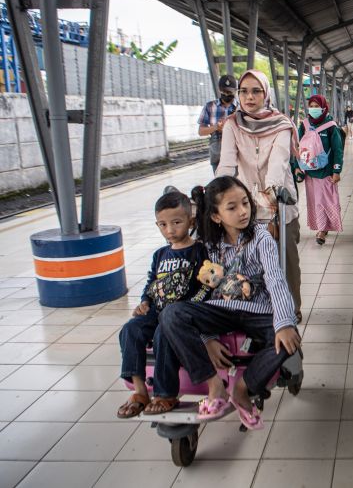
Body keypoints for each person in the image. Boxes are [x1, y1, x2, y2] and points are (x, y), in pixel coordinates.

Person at [159, 176, 301, 429]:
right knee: (171, 315)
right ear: (216, 216)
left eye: (245, 203)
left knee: (287, 342)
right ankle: (215, 386)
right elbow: (199, 289)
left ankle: (242, 389)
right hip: (220, 310)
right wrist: (207, 338)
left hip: (258, 309)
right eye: (232, 207)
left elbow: (275, 279)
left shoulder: (261, 237)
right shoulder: (208, 245)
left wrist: (284, 323)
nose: (243, 211)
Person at [216, 69, 303, 323]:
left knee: (285, 260)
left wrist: (268, 198)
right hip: (245, 208)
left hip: (279, 205)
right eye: (244, 91)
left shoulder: (282, 124)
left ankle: (292, 306)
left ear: (266, 94)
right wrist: (217, 193)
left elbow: (278, 165)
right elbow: (227, 164)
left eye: (256, 91)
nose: (249, 97)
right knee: (249, 262)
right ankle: (259, 307)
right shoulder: (232, 124)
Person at [116, 190, 207, 418]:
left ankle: (165, 393)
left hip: (181, 313)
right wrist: (145, 302)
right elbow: (151, 283)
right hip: (157, 309)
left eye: (176, 223)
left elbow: (207, 285)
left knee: (162, 334)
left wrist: (189, 306)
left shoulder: (199, 251)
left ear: (190, 221)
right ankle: (139, 391)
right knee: (130, 329)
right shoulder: (160, 255)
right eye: (163, 224)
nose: (170, 230)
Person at [292, 95, 344, 245]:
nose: (314, 109)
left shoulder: (331, 126)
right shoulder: (305, 124)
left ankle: (322, 230)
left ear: (323, 107)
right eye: (311, 106)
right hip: (310, 171)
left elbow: (337, 149)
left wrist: (336, 170)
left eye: (317, 106)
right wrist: (298, 168)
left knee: (324, 200)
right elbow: (299, 148)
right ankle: (322, 227)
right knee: (315, 201)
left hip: (326, 171)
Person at [198, 75, 238, 174]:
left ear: (235, 91)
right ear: (219, 90)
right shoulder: (210, 106)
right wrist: (216, 127)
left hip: (237, 151)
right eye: (223, 91)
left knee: (238, 184)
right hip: (217, 151)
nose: (226, 94)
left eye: (229, 92)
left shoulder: (241, 108)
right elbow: (201, 131)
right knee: (221, 185)